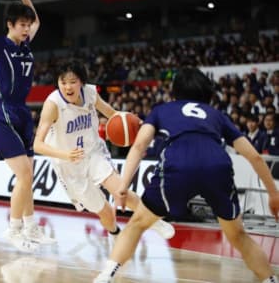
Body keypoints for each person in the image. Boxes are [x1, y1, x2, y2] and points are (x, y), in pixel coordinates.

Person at [94, 67, 279, 283]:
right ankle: (270, 280)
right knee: (238, 235)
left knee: (137, 224)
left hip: (178, 165)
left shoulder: (162, 110)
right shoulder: (217, 115)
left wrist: (123, 185)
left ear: (175, 90)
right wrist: (273, 193)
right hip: (217, 165)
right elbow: (254, 156)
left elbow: (139, 146)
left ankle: (106, 276)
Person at [33, 60, 174, 241]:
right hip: (69, 164)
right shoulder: (53, 104)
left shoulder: (90, 93)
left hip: (93, 152)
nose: (67, 87)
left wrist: (134, 122)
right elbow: (37, 144)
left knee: (118, 190)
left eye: (73, 81)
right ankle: (115, 234)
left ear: (82, 82)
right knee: (106, 212)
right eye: (63, 82)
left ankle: (154, 221)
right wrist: (66, 155)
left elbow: (112, 114)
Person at [0, 0, 53, 251]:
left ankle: (31, 226)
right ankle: (14, 228)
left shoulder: (25, 44)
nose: (27, 29)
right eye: (22, 25)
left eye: (27, 25)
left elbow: (37, 21)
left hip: (23, 112)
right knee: (24, 175)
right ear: (10, 25)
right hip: (3, 113)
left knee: (28, 175)